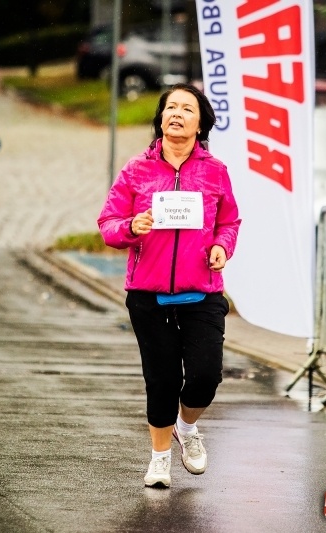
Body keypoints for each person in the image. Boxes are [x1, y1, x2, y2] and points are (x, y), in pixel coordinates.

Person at [97, 83, 241, 488]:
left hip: (203, 292)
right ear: (160, 118)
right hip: (148, 293)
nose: (176, 114)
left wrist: (221, 245)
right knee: (161, 379)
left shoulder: (214, 171)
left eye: (186, 109)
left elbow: (229, 221)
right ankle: (160, 458)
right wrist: (130, 227)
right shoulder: (136, 170)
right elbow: (107, 224)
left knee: (204, 378)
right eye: (170, 107)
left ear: (201, 123)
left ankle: (186, 428)